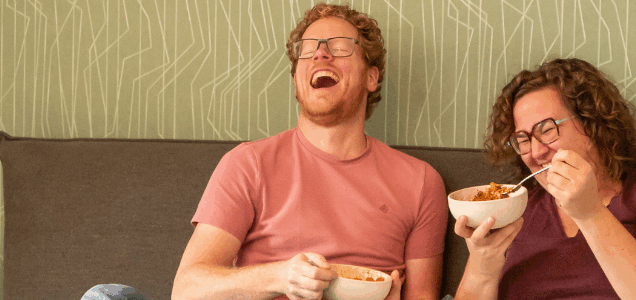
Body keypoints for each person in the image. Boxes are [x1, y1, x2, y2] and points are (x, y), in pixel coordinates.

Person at [170, 3, 447, 300]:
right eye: (308, 49)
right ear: (296, 80)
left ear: (371, 77)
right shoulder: (247, 164)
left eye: (340, 47)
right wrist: (279, 276)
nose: (320, 54)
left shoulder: (420, 182)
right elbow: (187, 290)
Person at [451, 58, 636, 300]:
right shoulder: (515, 209)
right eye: (523, 140)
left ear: (592, 123)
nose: (536, 151)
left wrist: (590, 214)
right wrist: (483, 267)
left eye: (547, 130)